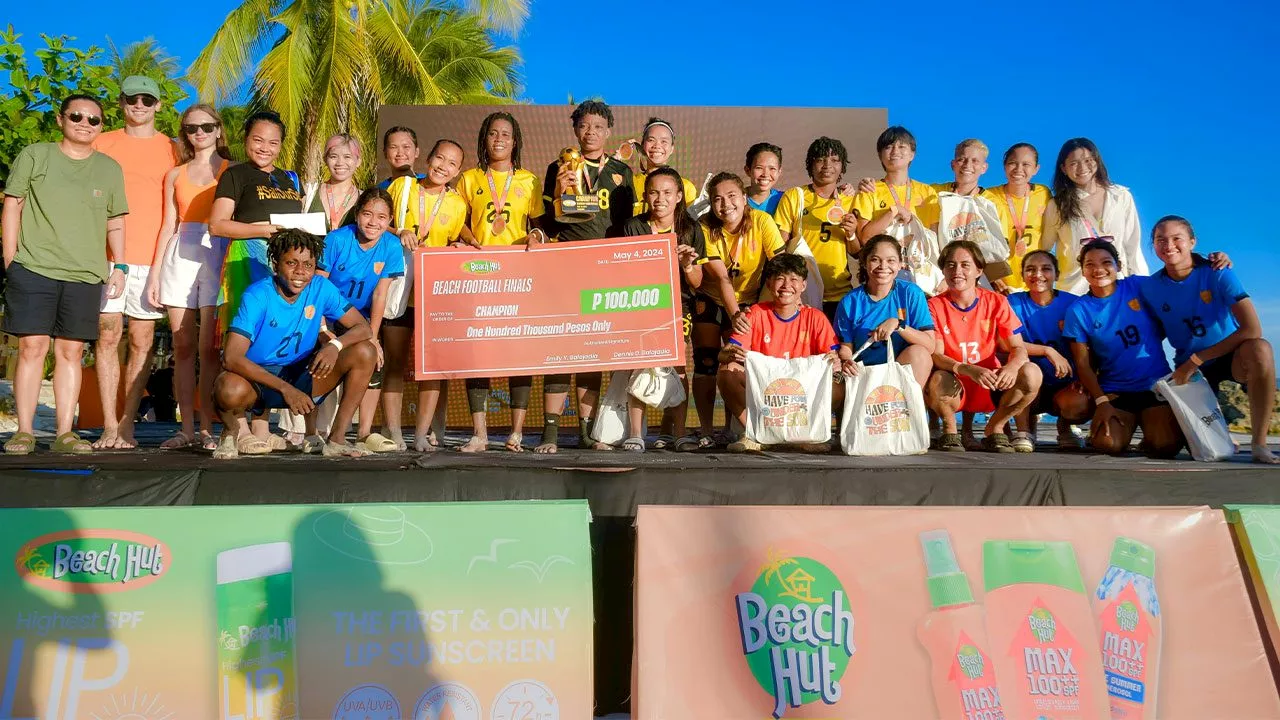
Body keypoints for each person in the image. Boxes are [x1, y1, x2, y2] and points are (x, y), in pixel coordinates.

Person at [1, 94, 127, 455]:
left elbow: (115, 221)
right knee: (32, 348)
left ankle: (64, 434)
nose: (84, 124)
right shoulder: (35, 154)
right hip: (34, 267)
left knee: (71, 352)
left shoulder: (109, 168)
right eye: (77, 116)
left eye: (94, 120)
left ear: (101, 126)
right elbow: (13, 204)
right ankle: (24, 431)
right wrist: (10, 257)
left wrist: (119, 264)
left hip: (86, 273)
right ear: (61, 120)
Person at [213, 228, 377, 458]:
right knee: (227, 387)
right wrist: (285, 389)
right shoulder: (257, 295)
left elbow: (363, 327)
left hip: (302, 374)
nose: (300, 271)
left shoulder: (321, 287)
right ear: (276, 263)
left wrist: (334, 345)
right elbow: (231, 357)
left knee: (365, 352)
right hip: (259, 380)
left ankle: (337, 439)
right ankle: (231, 432)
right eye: (291, 263)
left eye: (308, 265)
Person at [535, 100, 635, 453]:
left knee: (592, 352)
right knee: (561, 350)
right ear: (575, 130)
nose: (590, 132)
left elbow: (628, 227)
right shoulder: (559, 167)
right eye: (583, 126)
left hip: (605, 270)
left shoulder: (623, 171)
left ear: (608, 131)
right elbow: (549, 220)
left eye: (597, 126)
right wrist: (561, 193)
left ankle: (588, 432)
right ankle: (549, 434)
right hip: (567, 266)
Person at [1140, 216, 1277, 463]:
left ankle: (1259, 444)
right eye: (1160, 240)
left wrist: (1197, 359)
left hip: (1230, 355)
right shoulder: (1150, 287)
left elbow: (1252, 328)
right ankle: (1221, 435)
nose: (1168, 245)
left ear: (1192, 242)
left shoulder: (1218, 273)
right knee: (1168, 444)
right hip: (1190, 371)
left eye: (1176, 238)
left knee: (1261, 349)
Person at [91, 75, 179, 449]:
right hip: (105, 257)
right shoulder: (100, 141)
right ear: (121, 102)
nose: (139, 105)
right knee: (107, 335)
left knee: (143, 341)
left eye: (147, 99)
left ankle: (127, 424)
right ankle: (109, 423)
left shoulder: (175, 149)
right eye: (131, 98)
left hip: (151, 259)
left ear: (158, 104)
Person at [455, 112, 547, 453]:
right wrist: (466, 237)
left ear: (515, 141)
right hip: (479, 275)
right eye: (493, 133)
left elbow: (539, 225)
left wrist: (536, 235)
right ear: (484, 139)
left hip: (517, 276)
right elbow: (458, 222)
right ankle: (479, 433)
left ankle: (516, 433)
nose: (499, 139)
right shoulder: (468, 179)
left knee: (517, 352)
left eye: (506, 134)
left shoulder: (530, 180)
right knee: (477, 352)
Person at [147, 103, 231, 450]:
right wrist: (155, 275)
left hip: (218, 253)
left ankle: (209, 427)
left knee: (209, 347)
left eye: (207, 127)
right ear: (185, 133)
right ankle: (186, 429)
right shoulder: (174, 175)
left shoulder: (231, 170)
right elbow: (168, 225)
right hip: (180, 254)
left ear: (218, 130)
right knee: (182, 346)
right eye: (192, 128)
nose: (200, 133)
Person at [382, 138, 470, 453]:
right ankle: (393, 432)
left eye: (451, 163)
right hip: (397, 288)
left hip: (433, 294)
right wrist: (398, 231)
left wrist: (461, 247)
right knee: (393, 364)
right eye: (439, 158)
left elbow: (457, 239)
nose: (442, 166)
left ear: (458, 171)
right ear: (427, 158)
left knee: (431, 367)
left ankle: (420, 435)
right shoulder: (402, 187)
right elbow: (379, 224)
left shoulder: (458, 204)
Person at [617, 167, 709, 452]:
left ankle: (679, 433)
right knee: (639, 367)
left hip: (678, 308)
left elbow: (697, 282)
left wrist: (687, 265)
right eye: (654, 192)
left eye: (667, 193)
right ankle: (635, 434)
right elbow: (625, 270)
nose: (660, 199)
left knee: (678, 370)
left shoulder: (691, 229)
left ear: (679, 196)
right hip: (641, 306)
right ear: (645, 196)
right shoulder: (633, 226)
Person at [1064, 240, 1182, 458]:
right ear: (1082, 271)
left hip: (1155, 388)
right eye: (1089, 264)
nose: (1098, 269)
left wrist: (1206, 262)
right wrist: (1102, 401)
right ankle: (1124, 425)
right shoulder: (1079, 310)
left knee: (1165, 447)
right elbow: (1082, 363)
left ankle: (1149, 429)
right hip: (1116, 391)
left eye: (1106, 262)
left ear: (1118, 265)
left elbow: (1177, 276)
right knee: (1108, 445)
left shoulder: (1137, 286)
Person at [691, 172, 783, 446]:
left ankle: (745, 428)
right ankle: (706, 430)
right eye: (717, 199)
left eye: (731, 196)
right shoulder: (704, 226)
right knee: (706, 363)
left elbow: (778, 265)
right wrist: (735, 316)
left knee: (742, 364)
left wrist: (761, 310)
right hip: (712, 299)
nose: (725, 205)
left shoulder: (762, 221)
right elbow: (721, 278)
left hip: (750, 301)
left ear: (744, 198)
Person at [718, 253, 842, 453]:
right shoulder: (755, 314)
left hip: (801, 397)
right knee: (727, 371)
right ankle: (755, 434)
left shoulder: (816, 318)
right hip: (766, 396)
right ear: (769, 283)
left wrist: (835, 362)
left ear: (803, 285)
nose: (786, 286)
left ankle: (805, 435)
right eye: (780, 278)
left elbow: (834, 359)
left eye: (793, 279)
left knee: (838, 383)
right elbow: (723, 355)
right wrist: (732, 354)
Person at [924, 241, 1042, 452]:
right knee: (937, 378)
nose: (957, 271)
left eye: (965, 265)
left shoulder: (996, 302)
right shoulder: (934, 305)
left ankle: (994, 428)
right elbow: (937, 355)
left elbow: (1019, 348)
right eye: (950, 265)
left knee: (1032, 373)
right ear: (942, 269)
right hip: (955, 381)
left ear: (979, 270)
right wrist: (967, 368)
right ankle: (950, 431)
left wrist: (1012, 367)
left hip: (990, 382)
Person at [316, 188, 405, 453]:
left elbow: (380, 294)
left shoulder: (391, 246)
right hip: (329, 315)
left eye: (381, 217)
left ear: (389, 221)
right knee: (321, 361)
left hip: (362, 319)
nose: (373, 222)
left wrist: (373, 337)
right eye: (367, 214)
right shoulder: (335, 240)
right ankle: (316, 431)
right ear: (357, 214)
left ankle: (364, 432)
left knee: (374, 359)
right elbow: (319, 287)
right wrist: (321, 329)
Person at [1005, 250, 1089, 450]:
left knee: (1080, 403)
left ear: (1057, 275)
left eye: (1046, 269)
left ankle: (1066, 428)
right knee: (1021, 370)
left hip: (1064, 384)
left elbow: (1088, 345)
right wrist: (1047, 351)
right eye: (1031, 269)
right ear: (1023, 274)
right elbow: (1004, 343)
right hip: (1029, 383)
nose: (1038, 274)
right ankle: (1024, 432)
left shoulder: (1073, 304)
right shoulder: (1012, 303)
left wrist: (1085, 377)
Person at [1042, 138, 1145, 293]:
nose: (1082, 167)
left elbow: (1132, 246)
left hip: (1119, 289)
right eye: (1073, 163)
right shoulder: (1057, 205)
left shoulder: (1121, 196)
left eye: (1088, 160)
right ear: (1063, 168)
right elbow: (1044, 248)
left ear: (1097, 161)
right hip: (1075, 291)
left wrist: (1142, 287)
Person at [833, 236, 935, 389]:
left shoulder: (911, 293)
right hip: (862, 374)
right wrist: (847, 361)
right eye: (875, 259)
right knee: (834, 383)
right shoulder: (850, 301)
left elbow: (929, 344)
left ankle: (905, 409)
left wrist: (898, 325)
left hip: (898, 371)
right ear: (865, 263)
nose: (883, 266)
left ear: (900, 264)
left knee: (920, 354)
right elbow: (846, 346)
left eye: (891, 261)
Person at [775, 136, 860, 320]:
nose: (827, 165)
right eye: (820, 159)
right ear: (810, 164)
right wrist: (789, 287)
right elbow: (780, 249)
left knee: (837, 348)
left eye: (834, 160)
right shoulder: (794, 196)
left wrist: (852, 234)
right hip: (801, 294)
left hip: (840, 294)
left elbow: (857, 253)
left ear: (842, 166)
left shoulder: (851, 200)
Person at [981, 143, 1051, 292]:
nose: (1019, 169)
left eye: (1026, 164)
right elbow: (981, 241)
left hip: (1034, 283)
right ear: (1005, 166)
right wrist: (994, 277)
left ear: (1036, 169)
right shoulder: (989, 197)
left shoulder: (1043, 194)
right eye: (1013, 163)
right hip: (999, 284)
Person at [853, 126, 940, 243]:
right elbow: (865, 238)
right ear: (880, 155)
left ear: (912, 154)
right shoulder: (869, 190)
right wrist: (893, 211)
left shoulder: (928, 192)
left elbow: (934, 238)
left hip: (919, 260)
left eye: (901, 146)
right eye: (888, 147)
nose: (895, 151)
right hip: (884, 260)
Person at [628, 117, 697, 216]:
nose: (657, 146)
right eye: (651, 140)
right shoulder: (629, 183)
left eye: (664, 141)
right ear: (642, 145)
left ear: (672, 148)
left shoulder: (686, 187)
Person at [307, 134, 361, 231]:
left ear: (358, 162)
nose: (340, 163)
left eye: (347, 157)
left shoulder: (364, 198)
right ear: (325, 160)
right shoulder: (309, 193)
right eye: (333, 156)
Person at [744, 142, 784, 215]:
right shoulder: (736, 200)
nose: (765, 174)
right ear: (747, 170)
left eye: (772, 168)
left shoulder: (785, 199)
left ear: (779, 172)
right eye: (759, 168)